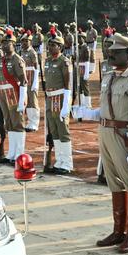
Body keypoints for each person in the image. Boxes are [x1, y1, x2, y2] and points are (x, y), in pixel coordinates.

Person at [73, 33, 128, 253]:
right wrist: (86, 113)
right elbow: (105, 110)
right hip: (105, 132)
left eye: (116, 52)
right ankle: (119, 230)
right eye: (111, 51)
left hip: (123, 135)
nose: (110, 54)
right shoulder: (109, 77)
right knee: (114, 182)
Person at [42, 28, 74, 174]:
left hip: (60, 98)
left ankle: (67, 163)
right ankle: (59, 160)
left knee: (63, 130)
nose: (50, 47)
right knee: (54, 130)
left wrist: (66, 105)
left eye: (54, 45)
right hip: (50, 98)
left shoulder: (64, 62)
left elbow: (68, 85)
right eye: (49, 45)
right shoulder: (47, 61)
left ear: (60, 47)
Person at [0, 32, 29, 162]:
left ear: (13, 44)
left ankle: (19, 153)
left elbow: (24, 81)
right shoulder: (2, 60)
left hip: (13, 93)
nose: (4, 46)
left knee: (17, 123)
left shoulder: (17, 60)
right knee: (8, 123)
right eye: (3, 43)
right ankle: (12, 152)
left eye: (7, 43)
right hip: (3, 93)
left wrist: (22, 100)